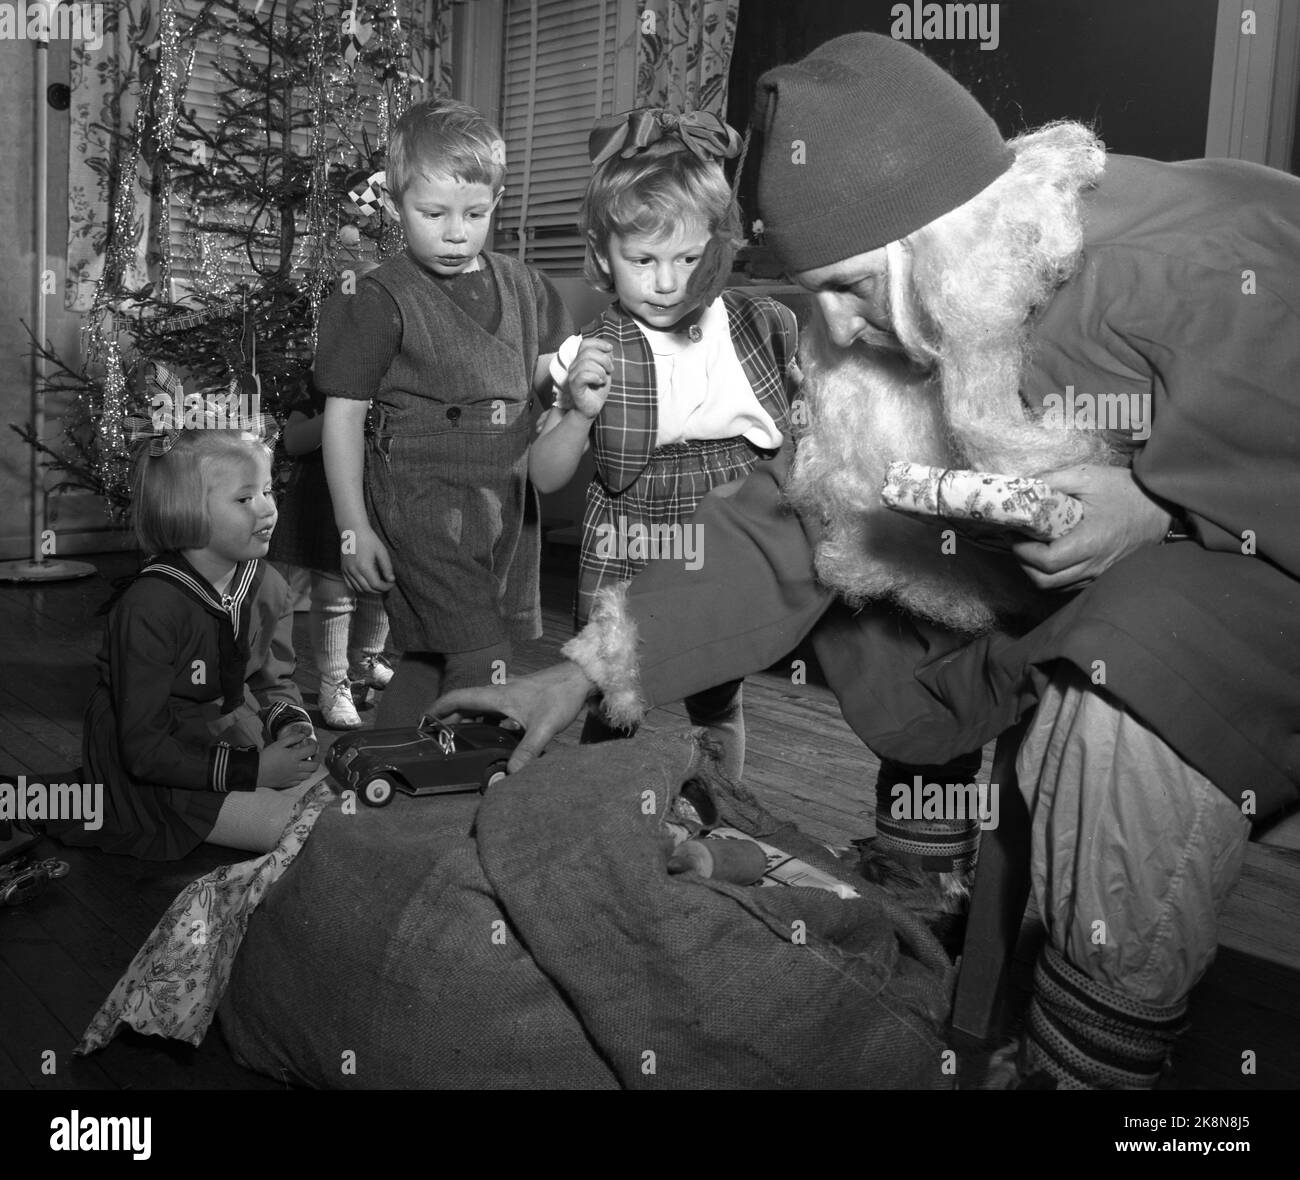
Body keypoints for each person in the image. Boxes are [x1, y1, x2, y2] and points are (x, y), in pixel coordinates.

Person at [437, 33, 1300, 1089]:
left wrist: (1159, 510)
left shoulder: (1192, 271)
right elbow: (786, 518)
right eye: (814, 294)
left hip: (1253, 570)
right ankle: (952, 894)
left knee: (1131, 680)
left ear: (941, 240)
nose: (830, 327)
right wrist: (579, 671)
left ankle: (1096, 1067)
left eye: (846, 287)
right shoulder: (874, 326)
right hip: (1074, 598)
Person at [528, 109, 797, 781]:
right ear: (601, 256)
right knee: (612, 689)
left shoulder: (762, 325)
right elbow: (543, 478)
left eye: (688, 257)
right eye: (643, 260)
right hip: (632, 518)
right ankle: (599, 811)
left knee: (718, 689)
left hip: (729, 507)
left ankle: (721, 807)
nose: (668, 282)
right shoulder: (593, 351)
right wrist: (578, 416)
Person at [319, 98, 573, 726]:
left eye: (475, 213)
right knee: (477, 649)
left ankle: (382, 761)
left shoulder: (526, 286)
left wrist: (574, 383)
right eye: (432, 213)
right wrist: (354, 529)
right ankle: (478, 783)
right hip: (422, 502)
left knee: (437, 648)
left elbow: (536, 377)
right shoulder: (377, 300)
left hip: (505, 501)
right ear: (397, 204)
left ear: (497, 201)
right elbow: (344, 417)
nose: (456, 232)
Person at [61, 391, 319, 860]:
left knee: (341, 800)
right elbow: (144, 747)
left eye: (269, 491)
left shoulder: (270, 585)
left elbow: (275, 682)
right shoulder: (149, 606)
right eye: (245, 497)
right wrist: (254, 772)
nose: (267, 509)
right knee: (301, 831)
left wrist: (292, 729)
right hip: (160, 761)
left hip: (229, 732)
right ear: (186, 508)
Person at [269, 371, 392, 729]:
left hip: (383, 492)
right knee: (333, 590)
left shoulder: (399, 376)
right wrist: (342, 412)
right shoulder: (322, 380)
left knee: (380, 581)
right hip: (326, 498)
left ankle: (366, 660)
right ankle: (332, 682)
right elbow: (292, 441)